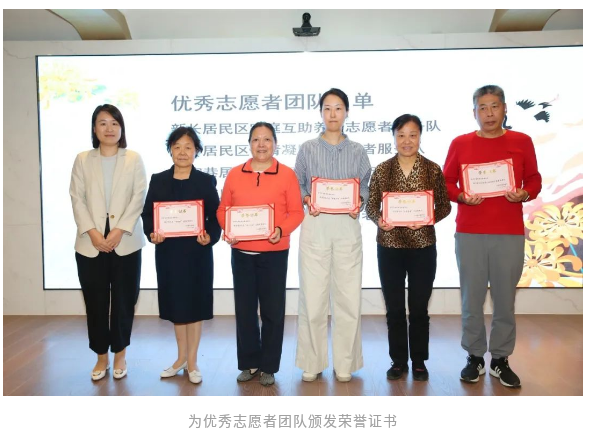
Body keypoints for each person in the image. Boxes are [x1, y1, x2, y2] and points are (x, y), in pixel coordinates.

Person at [443, 85, 542, 388]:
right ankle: (474, 357)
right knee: (471, 299)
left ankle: (500, 359)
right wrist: (461, 196)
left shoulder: (521, 141)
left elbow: (534, 179)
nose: (489, 113)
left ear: (505, 108)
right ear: (474, 112)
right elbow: (447, 182)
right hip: (470, 232)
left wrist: (525, 193)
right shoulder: (460, 143)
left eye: (494, 106)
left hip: (508, 233)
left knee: (504, 299)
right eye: (482, 108)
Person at [217, 122, 304, 387]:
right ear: (249, 144)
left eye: (267, 139)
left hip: (274, 253)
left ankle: (268, 366)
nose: (262, 144)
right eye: (256, 139)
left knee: (272, 312)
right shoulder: (235, 174)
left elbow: (296, 212)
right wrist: (228, 229)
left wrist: (281, 229)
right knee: (244, 311)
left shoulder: (286, 174)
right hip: (242, 253)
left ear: (275, 143)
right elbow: (223, 209)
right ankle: (249, 363)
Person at [294, 88, 371, 382]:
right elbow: (298, 183)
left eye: (338, 108)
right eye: (327, 108)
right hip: (315, 224)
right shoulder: (307, 149)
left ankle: (345, 362)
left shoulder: (358, 151)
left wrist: (359, 201)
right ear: (321, 113)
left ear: (347, 112)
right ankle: (312, 361)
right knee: (312, 298)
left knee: (348, 297)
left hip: (347, 226)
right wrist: (306, 197)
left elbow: (366, 185)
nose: (333, 114)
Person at [367, 114, 451, 382]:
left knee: (418, 308)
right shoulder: (382, 169)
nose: (407, 141)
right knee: (394, 308)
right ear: (393, 137)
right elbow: (371, 206)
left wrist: (427, 219)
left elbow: (445, 206)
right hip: (389, 247)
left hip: (422, 247)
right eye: (401, 135)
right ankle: (398, 361)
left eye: (412, 135)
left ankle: (419, 361)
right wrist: (379, 219)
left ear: (420, 137)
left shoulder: (432, 169)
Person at [70, 104, 147, 381]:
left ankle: (120, 353)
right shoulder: (82, 159)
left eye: (115, 123)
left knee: (125, 301)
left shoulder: (133, 158)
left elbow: (139, 196)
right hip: (90, 242)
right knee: (95, 301)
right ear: (94, 129)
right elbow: (76, 198)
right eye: (103, 123)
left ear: (121, 128)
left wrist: (119, 231)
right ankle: (101, 356)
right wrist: (93, 232)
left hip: (125, 241)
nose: (109, 128)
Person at [141, 126, 221, 384]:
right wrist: (152, 233)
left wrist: (210, 235)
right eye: (177, 147)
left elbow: (215, 217)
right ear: (170, 150)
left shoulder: (205, 181)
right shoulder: (158, 180)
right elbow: (148, 214)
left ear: (196, 151)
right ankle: (180, 358)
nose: (183, 152)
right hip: (169, 254)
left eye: (188, 147)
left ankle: (193, 361)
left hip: (197, 254)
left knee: (195, 307)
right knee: (177, 307)